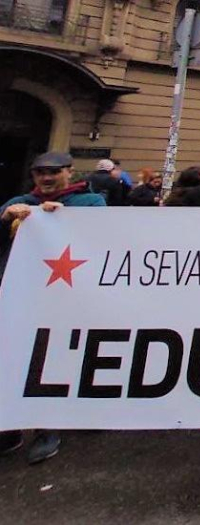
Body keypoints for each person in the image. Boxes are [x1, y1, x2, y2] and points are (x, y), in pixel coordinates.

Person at [0, 151, 106, 464]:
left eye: (53, 172)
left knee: (56, 356)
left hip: (70, 296)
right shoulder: (18, 203)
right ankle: (11, 424)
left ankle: (49, 426)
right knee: (15, 356)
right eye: (40, 172)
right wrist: (7, 217)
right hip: (22, 293)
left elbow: (106, 235)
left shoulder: (90, 202)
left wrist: (64, 219)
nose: (46, 178)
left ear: (69, 172)